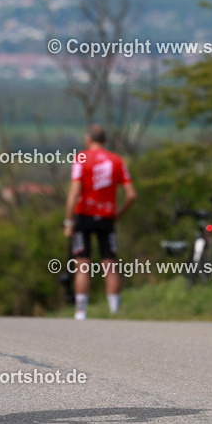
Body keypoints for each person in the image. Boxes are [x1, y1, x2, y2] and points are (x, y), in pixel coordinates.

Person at [63, 124, 137, 320]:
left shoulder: (81, 158)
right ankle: (115, 311)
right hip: (106, 217)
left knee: (83, 264)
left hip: (84, 217)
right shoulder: (117, 161)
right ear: (104, 141)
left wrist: (68, 222)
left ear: (88, 140)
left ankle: (80, 312)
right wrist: (118, 214)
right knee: (110, 263)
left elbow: (74, 193)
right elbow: (131, 195)